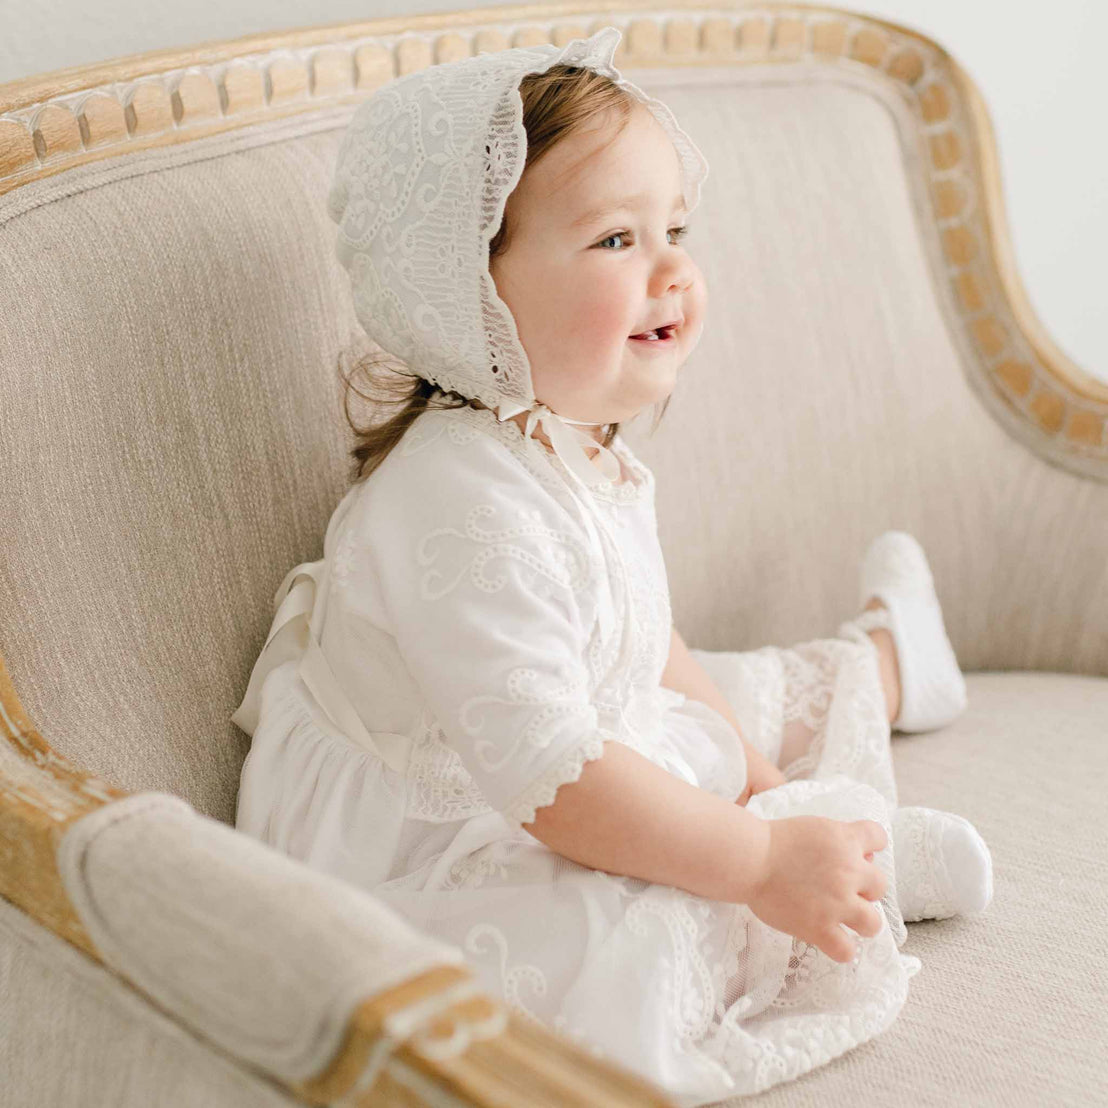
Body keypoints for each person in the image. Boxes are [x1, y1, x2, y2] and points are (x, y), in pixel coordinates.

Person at [231, 26, 993, 1104]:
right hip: (457, 825)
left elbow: (647, 636)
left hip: (561, 741)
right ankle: (827, 868)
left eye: (674, 227)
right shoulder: (454, 502)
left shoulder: (574, 444)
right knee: (613, 915)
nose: (674, 267)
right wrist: (758, 856)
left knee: (729, 702)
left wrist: (770, 789)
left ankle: (883, 662)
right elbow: (561, 786)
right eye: (615, 240)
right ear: (468, 288)